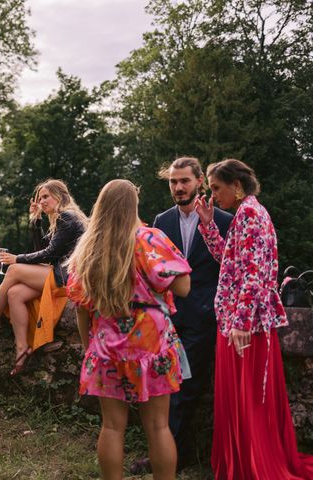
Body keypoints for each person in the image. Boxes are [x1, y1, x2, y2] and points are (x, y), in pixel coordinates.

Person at [194, 159, 313, 479]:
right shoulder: (247, 213)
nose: (213, 194)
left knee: (248, 403)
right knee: (242, 402)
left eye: (216, 187)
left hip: (243, 324)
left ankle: (251, 466)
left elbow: (253, 275)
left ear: (236, 184)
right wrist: (207, 224)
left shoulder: (249, 214)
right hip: (238, 320)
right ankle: (244, 462)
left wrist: (241, 323)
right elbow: (230, 262)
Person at [67, 179, 192, 480]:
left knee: (111, 426)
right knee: (158, 426)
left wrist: (89, 348)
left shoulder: (90, 247)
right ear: (133, 205)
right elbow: (184, 287)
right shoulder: (149, 239)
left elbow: (82, 307)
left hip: (106, 345)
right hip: (151, 344)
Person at [131, 157, 233, 473]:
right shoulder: (161, 221)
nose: (178, 187)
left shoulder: (226, 220)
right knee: (163, 386)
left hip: (204, 316)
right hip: (166, 318)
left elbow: (230, 269)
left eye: (184, 181)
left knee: (187, 387)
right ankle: (173, 454)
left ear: (199, 181)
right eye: (173, 182)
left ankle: (171, 456)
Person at [0, 179, 87, 375]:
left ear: (60, 196)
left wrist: (17, 259)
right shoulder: (62, 218)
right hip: (61, 274)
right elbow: (42, 249)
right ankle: (22, 349)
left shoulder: (67, 217)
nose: (41, 201)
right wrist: (35, 220)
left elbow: (49, 254)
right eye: (40, 198)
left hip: (69, 278)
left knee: (14, 270)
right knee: (15, 293)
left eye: (46, 196)